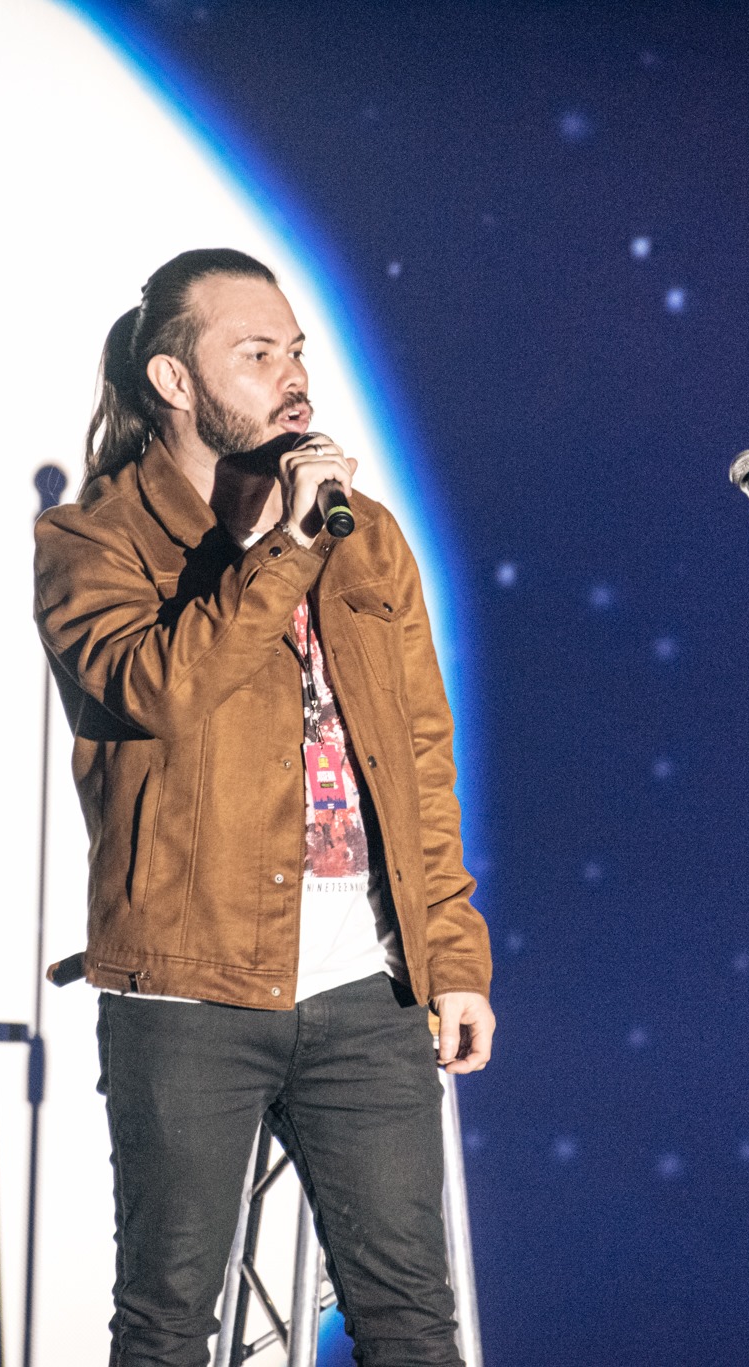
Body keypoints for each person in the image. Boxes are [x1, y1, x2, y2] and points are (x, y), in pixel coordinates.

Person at [34, 248, 493, 1367]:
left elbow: (417, 755)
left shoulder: (363, 533)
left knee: (410, 1321)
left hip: (365, 988)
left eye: (294, 349)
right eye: (254, 353)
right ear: (173, 380)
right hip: (186, 987)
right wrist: (283, 544)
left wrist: (452, 950)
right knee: (165, 1325)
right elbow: (160, 688)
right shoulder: (93, 540)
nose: (292, 376)